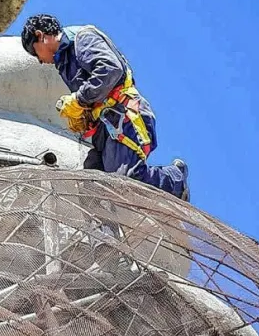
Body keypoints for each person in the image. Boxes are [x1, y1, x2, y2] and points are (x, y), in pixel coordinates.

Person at [21, 14, 189, 200]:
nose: (40, 60)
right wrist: (83, 117)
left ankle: (175, 179)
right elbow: (94, 94)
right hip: (104, 128)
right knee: (92, 190)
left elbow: (110, 69)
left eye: (35, 53)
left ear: (40, 36)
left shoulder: (82, 39)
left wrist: (79, 100)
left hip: (124, 115)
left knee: (127, 181)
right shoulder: (64, 63)